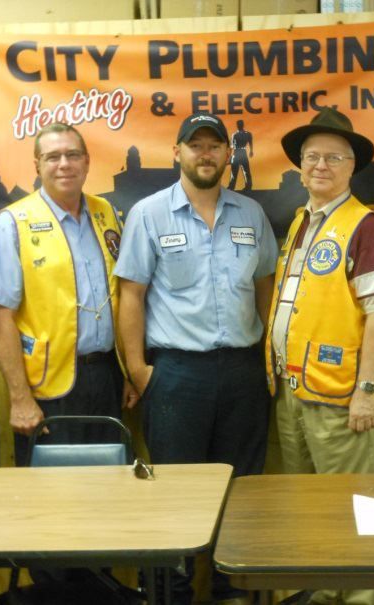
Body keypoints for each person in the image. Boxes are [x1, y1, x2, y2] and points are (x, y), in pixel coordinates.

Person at [115, 112, 277, 605]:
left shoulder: (251, 214)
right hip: (177, 375)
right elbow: (131, 296)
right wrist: (140, 370)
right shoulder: (148, 213)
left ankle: (233, 591)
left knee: (242, 490)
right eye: (195, 146)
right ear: (177, 153)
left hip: (244, 373)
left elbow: (267, 286)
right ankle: (174, 594)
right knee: (175, 493)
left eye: (215, 146)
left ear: (230, 155)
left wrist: (269, 358)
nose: (205, 154)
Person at [0, 123, 135, 595]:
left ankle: (96, 590)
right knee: (54, 506)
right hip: (49, 388)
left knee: (105, 498)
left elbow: (123, 296)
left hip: (104, 376)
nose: (64, 164)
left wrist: (129, 370)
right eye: (52, 157)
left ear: (88, 161)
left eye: (72, 155)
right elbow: (0, 316)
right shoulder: (14, 223)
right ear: (37, 166)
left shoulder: (108, 213)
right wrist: (20, 399)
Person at [266, 107, 374, 605]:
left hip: (344, 398)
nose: (320, 165)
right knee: (312, 508)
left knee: (359, 506)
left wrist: (366, 393)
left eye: (333, 157)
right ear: (299, 167)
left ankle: (368, 596)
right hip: (294, 392)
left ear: (352, 167)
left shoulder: (365, 226)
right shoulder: (301, 222)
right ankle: (327, 591)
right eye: (311, 157)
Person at [228, 119, 254, 191]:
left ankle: (248, 186)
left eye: (240, 124)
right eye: (239, 124)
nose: (239, 125)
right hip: (238, 152)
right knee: (235, 171)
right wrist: (229, 156)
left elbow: (250, 142)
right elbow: (231, 146)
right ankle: (232, 187)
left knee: (246, 171)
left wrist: (251, 151)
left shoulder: (247, 134)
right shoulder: (235, 134)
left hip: (241, 152)